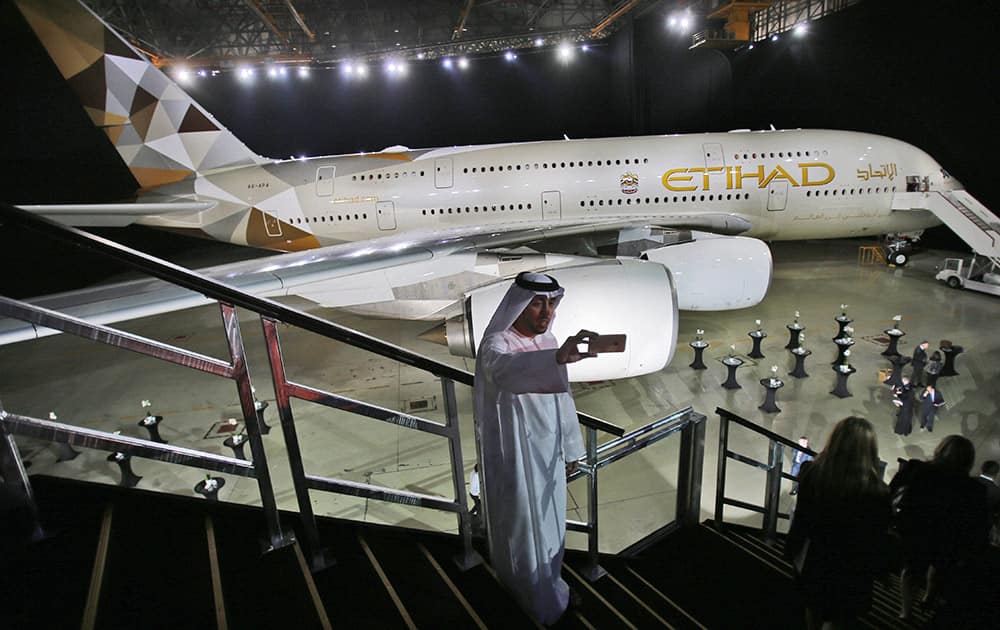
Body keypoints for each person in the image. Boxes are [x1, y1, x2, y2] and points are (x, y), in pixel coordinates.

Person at [473, 271, 597, 625]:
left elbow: (562, 400)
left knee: (552, 526)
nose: (546, 312)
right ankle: (534, 601)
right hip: (516, 457)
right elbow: (505, 372)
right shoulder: (497, 345)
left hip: (550, 455)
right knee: (523, 531)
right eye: (537, 303)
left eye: (551, 303)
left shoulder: (549, 340)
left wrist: (572, 449)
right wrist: (557, 360)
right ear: (520, 304)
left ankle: (549, 587)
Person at [785, 417, 890, 630]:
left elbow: (802, 517)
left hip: (818, 556)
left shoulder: (812, 473)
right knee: (841, 615)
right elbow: (877, 537)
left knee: (813, 605)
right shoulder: (878, 491)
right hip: (853, 565)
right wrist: (882, 570)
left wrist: (792, 550)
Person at [889, 436, 990, 624]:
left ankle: (906, 610)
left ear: (941, 450)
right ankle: (929, 596)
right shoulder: (973, 489)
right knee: (937, 569)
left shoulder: (919, 470)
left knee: (911, 570)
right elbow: (978, 521)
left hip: (918, 530)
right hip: (949, 538)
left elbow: (896, 491)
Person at [977, 461, 1000, 545]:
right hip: (983, 528)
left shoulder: (968, 481)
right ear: (997, 473)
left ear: (982, 468)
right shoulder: (997, 491)